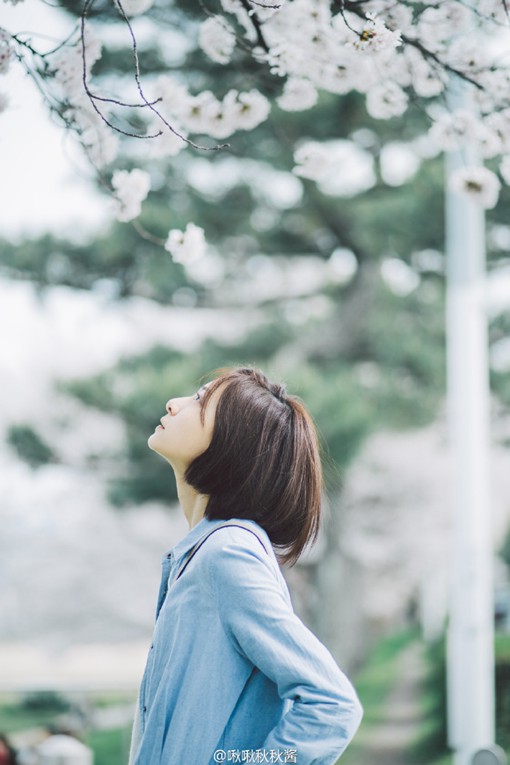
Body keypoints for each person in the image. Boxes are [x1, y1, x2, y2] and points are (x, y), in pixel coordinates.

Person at [128, 366, 363, 765]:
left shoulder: (228, 553)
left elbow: (332, 704)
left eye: (200, 402)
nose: (175, 403)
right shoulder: (202, 554)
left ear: (231, 442)